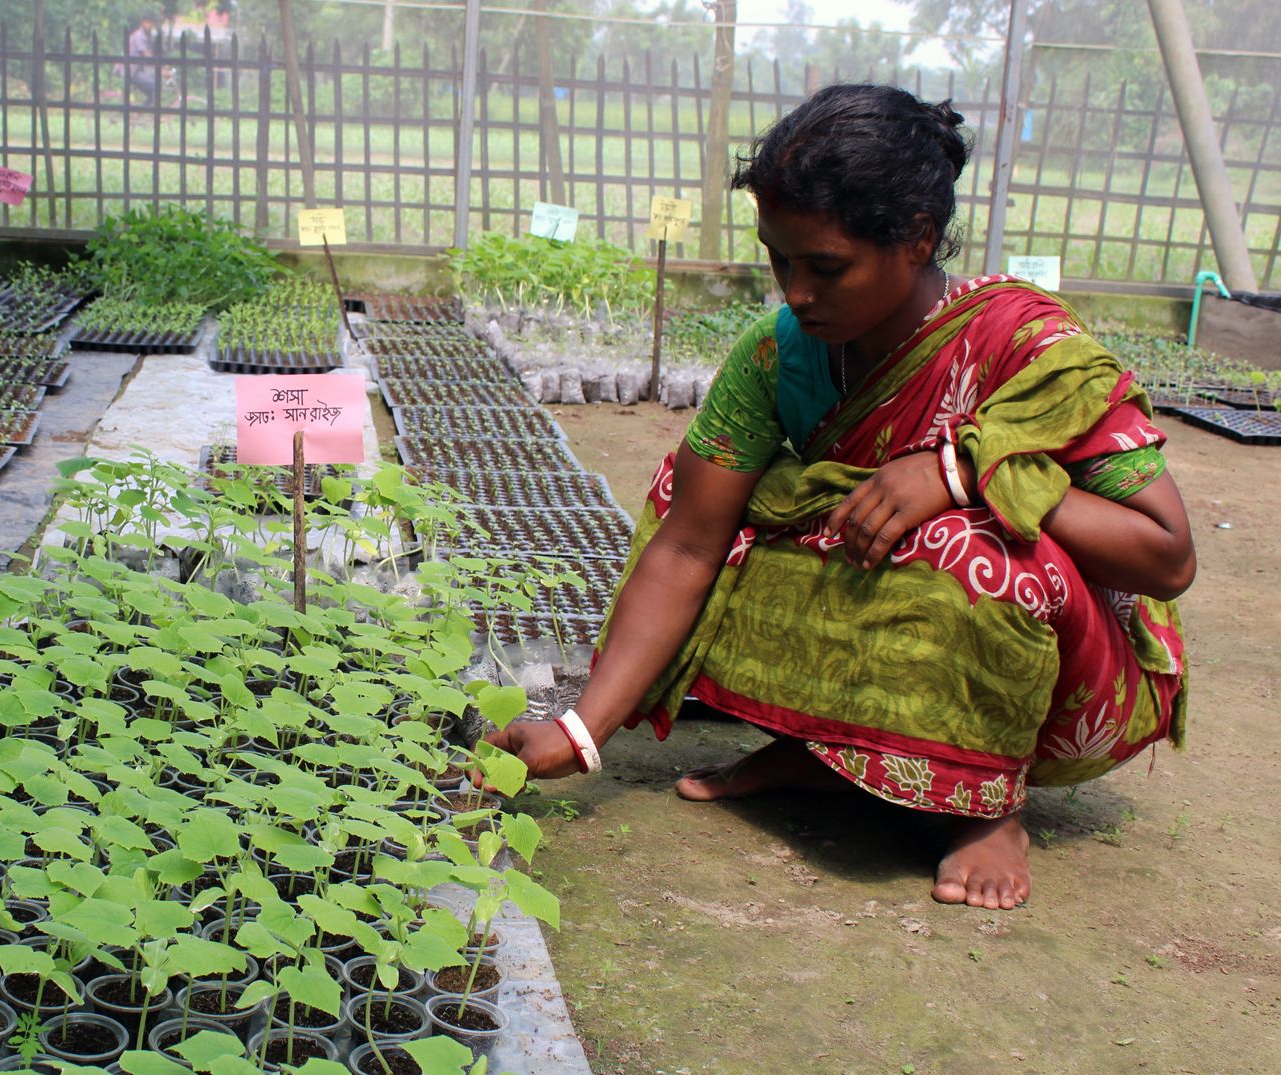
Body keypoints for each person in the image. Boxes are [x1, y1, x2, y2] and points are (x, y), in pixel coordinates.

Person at [483, 84, 1195, 911]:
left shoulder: (1025, 348)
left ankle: (985, 806)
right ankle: (824, 752)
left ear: (917, 240)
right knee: (719, 495)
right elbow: (688, 547)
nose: (795, 292)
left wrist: (967, 476)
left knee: (964, 547)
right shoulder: (778, 355)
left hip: (1083, 668)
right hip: (914, 578)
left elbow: (1167, 555)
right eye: (779, 260)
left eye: (825, 267)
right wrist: (581, 731)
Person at [124, 13, 162, 104]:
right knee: (154, 85)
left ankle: (142, 109)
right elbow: (146, 54)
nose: (150, 26)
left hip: (135, 69)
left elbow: (148, 56)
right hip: (130, 70)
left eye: (152, 23)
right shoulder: (139, 36)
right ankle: (143, 110)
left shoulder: (145, 36)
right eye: (148, 23)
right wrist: (160, 69)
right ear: (142, 23)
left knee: (152, 86)